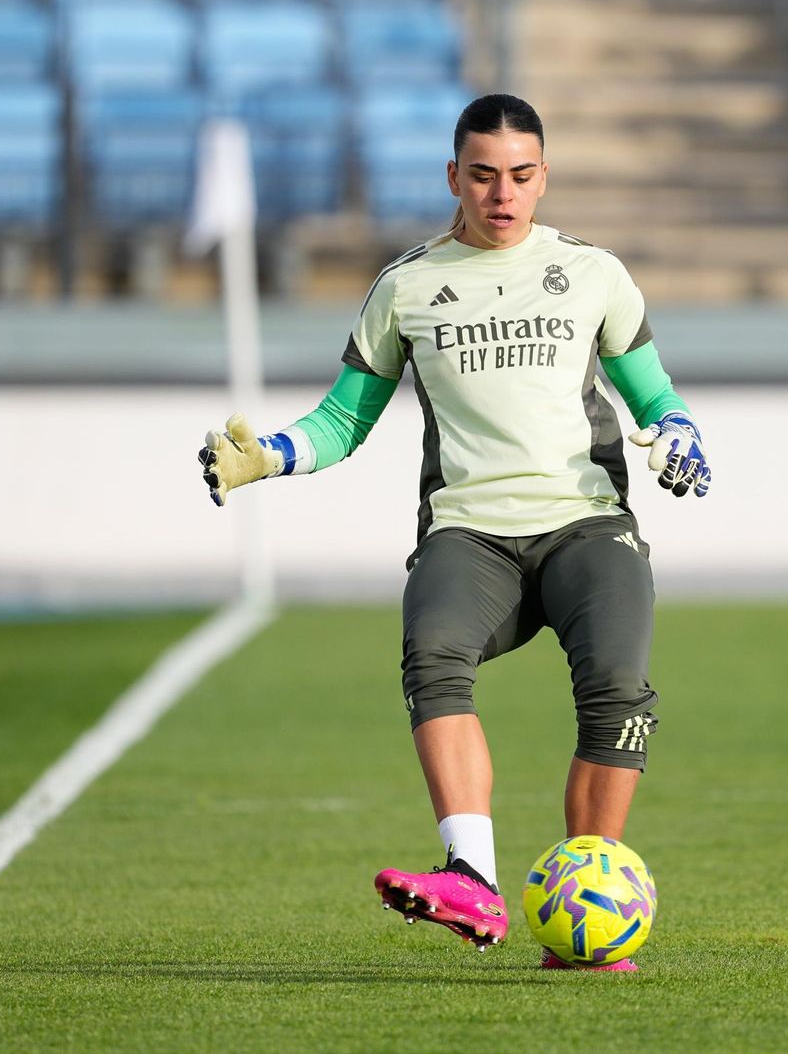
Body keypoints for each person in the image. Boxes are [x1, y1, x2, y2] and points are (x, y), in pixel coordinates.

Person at [198, 94, 710, 972]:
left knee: (618, 685)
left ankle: (587, 910)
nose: (502, 194)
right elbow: (341, 420)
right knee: (431, 648)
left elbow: (656, 396)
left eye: (519, 175)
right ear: (453, 177)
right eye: (483, 174)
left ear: (543, 176)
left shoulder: (595, 275)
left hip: (588, 525)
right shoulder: (405, 286)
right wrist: (273, 454)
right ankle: (471, 873)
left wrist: (683, 435)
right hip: (470, 533)